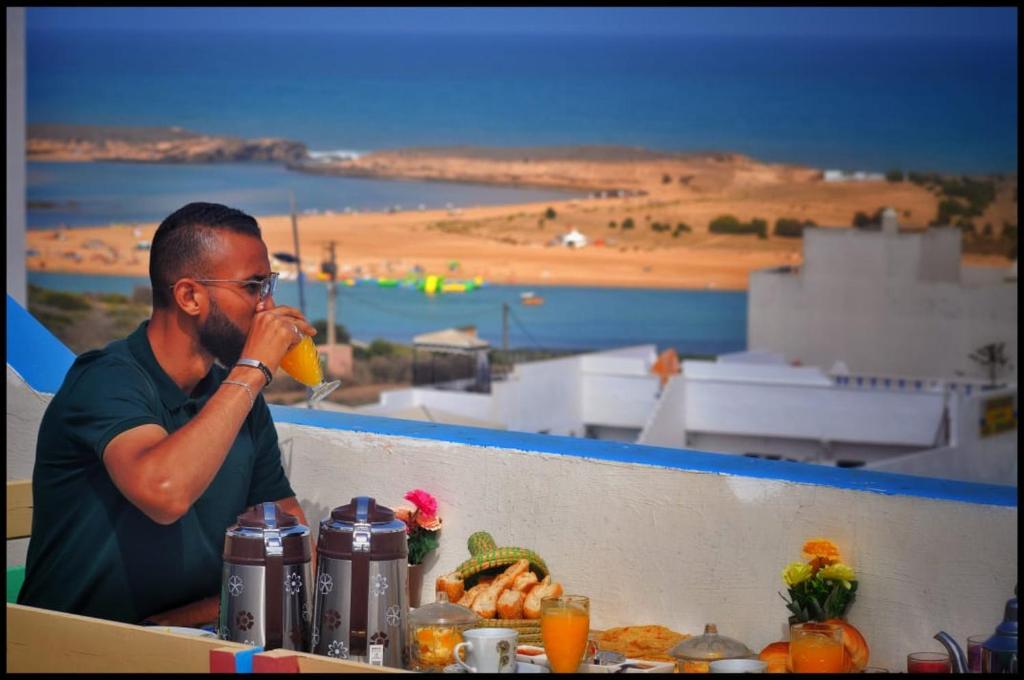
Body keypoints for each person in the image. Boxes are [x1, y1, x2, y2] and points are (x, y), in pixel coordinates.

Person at [18, 202, 315, 627]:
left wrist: (171, 626)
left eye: (269, 285)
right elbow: (164, 492)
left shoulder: (239, 402)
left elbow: (290, 552)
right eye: (253, 287)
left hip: (177, 643)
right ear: (190, 296)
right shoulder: (106, 380)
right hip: (74, 651)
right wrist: (253, 369)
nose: (267, 307)